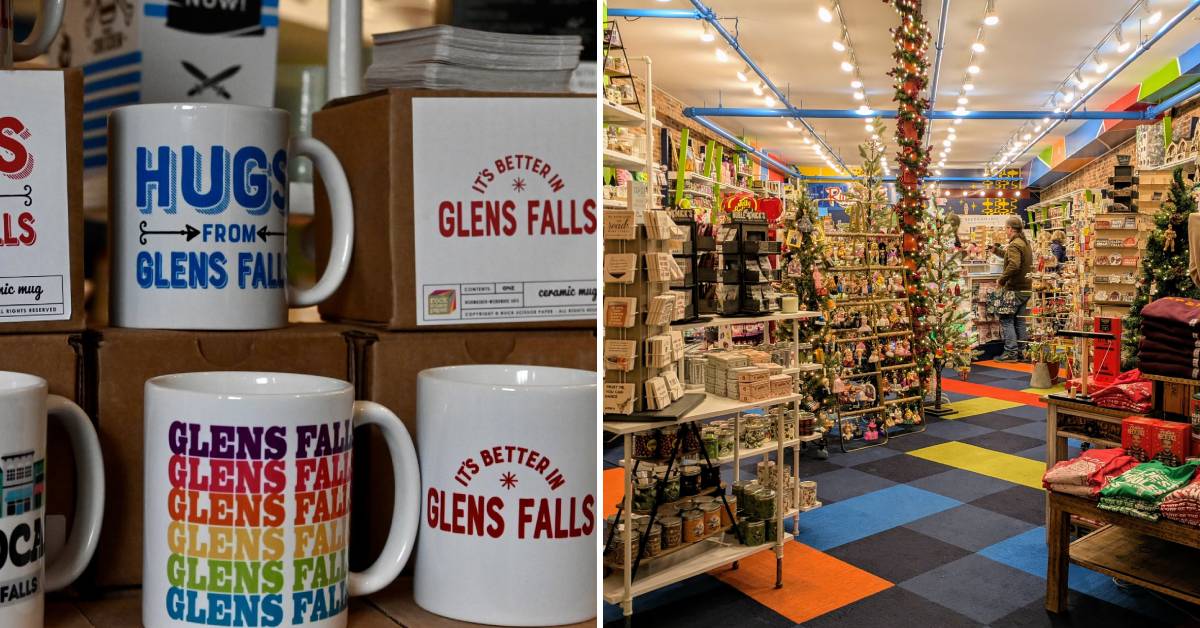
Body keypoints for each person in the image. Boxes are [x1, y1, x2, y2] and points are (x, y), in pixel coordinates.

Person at [996, 215, 1032, 362]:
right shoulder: (1024, 243)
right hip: (1026, 288)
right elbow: (1013, 258)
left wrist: (1002, 279)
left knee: (1007, 319)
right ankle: (1023, 352)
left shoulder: (1014, 244)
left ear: (1010, 229)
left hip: (1014, 289)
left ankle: (1010, 353)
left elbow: (1014, 264)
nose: (1005, 231)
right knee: (1020, 320)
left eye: (1006, 228)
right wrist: (996, 251)